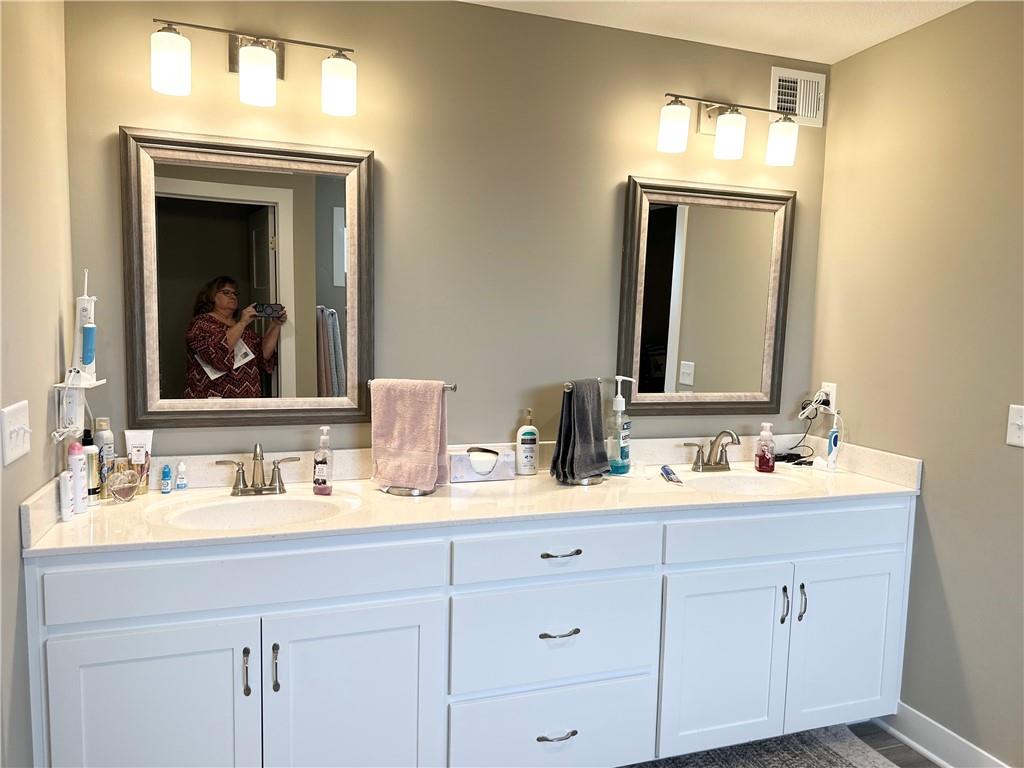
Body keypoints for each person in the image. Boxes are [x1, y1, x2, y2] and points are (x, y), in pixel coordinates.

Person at [183, 276, 287, 398]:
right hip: (212, 400)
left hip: (247, 402)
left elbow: (263, 355)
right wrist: (242, 323)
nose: (233, 296)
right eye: (226, 292)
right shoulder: (200, 324)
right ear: (211, 296)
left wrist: (276, 324)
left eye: (235, 293)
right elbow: (216, 354)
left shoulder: (242, 329)